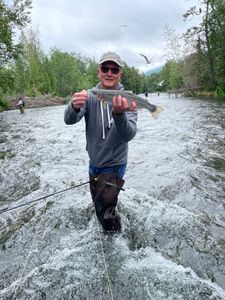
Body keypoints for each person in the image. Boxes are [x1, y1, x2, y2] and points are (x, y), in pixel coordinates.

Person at [64, 51, 138, 232]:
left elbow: (129, 134)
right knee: (100, 204)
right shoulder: (90, 96)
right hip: (93, 163)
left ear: (120, 73)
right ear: (99, 71)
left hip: (114, 165)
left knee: (105, 215)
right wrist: (73, 106)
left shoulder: (127, 98)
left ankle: (116, 240)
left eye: (114, 69)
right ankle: (112, 220)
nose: (109, 73)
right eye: (105, 68)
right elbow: (69, 120)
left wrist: (119, 114)